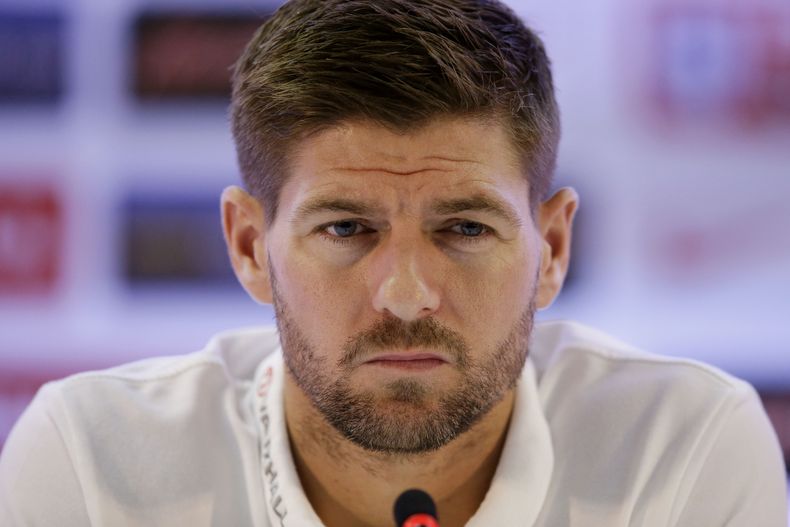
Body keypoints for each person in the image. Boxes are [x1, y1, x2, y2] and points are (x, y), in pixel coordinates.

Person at [1, 0, 787, 525]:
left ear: (551, 249)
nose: (408, 296)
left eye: (466, 229)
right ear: (249, 247)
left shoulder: (684, 452)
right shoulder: (92, 466)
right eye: (346, 228)